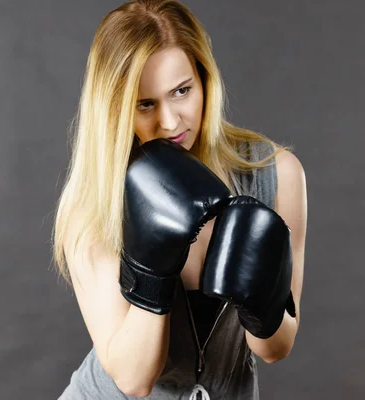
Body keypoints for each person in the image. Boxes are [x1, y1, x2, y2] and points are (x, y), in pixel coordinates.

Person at [52, 1, 307, 398]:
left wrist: (262, 297)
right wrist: (153, 265)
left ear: (205, 81)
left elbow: (276, 348)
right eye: (145, 104)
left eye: (182, 91)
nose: (170, 122)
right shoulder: (95, 201)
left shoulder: (275, 175)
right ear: (115, 108)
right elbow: (133, 380)